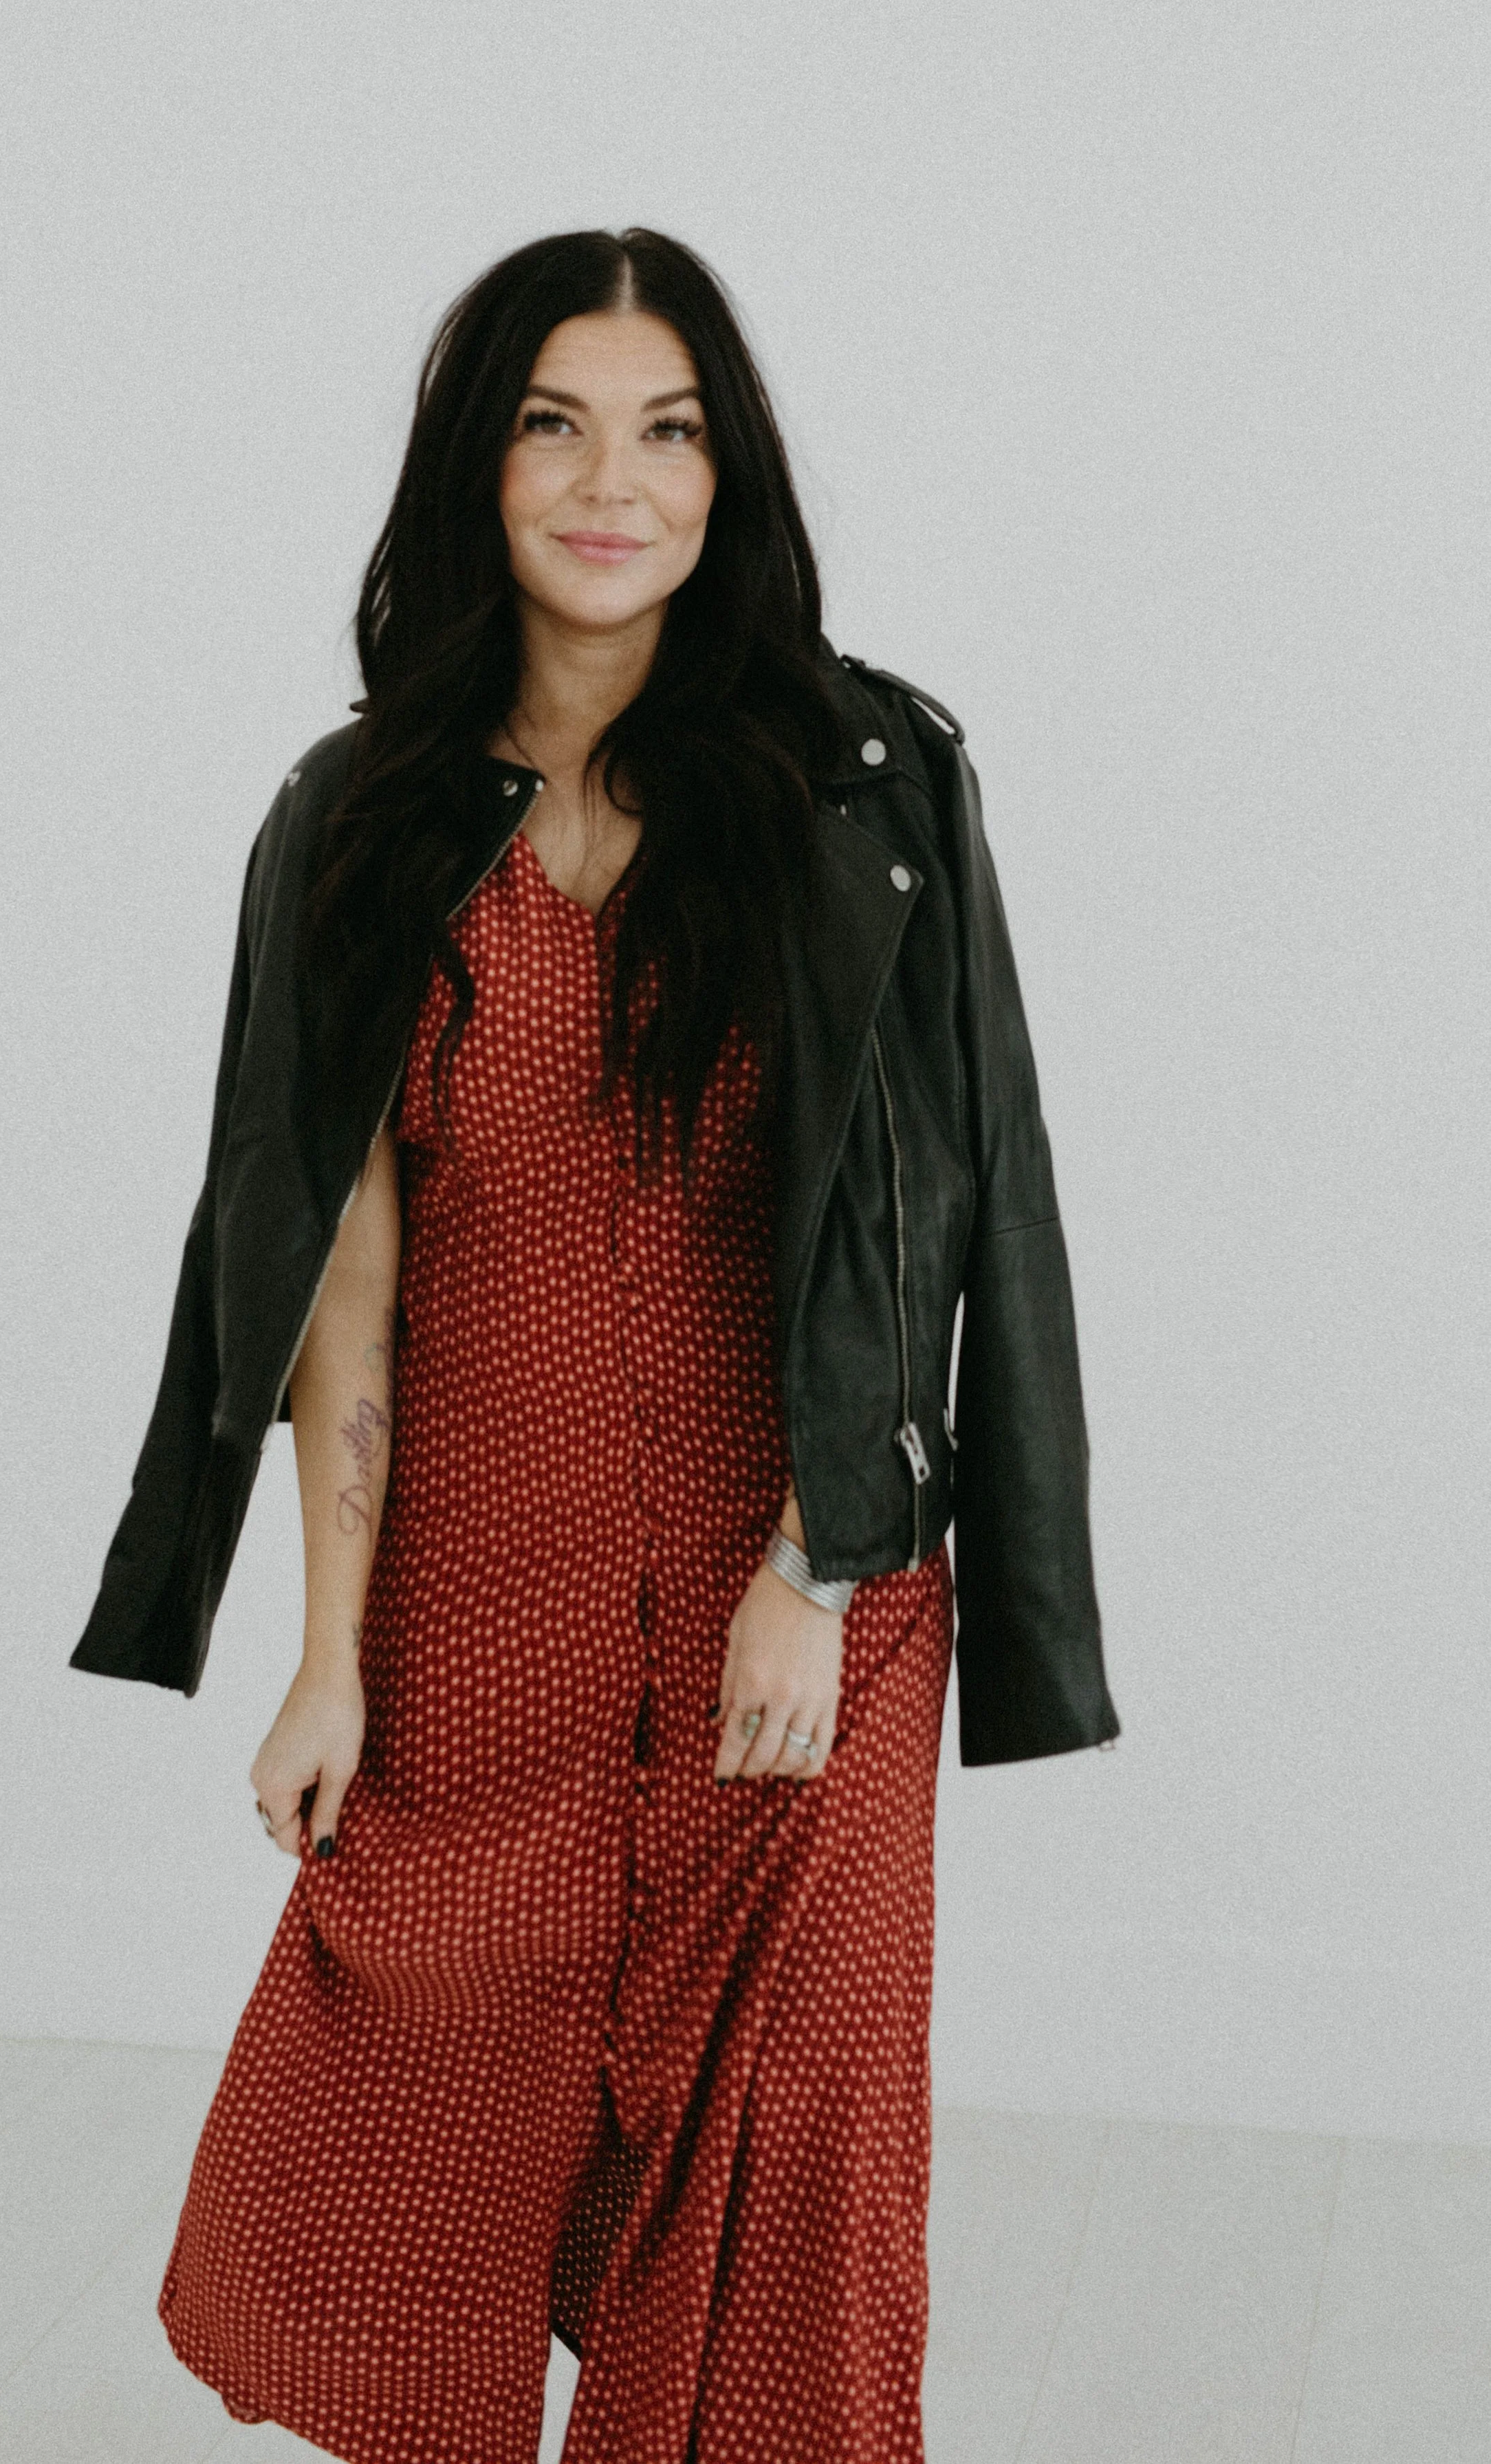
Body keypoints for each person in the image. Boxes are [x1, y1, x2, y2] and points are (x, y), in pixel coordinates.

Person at [69, 226, 1118, 2464]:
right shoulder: (352, 818)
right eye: (554, 423)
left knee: (792, 2191)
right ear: (479, 465)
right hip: (484, 1591)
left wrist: (813, 1565)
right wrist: (327, 1649)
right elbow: (338, 1272)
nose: (608, 482)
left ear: (726, 478)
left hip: (811, 1597)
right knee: (408, 2130)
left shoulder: (863, 788)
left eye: (667, 430)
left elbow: (928, 1210)